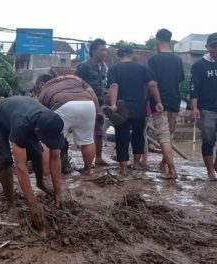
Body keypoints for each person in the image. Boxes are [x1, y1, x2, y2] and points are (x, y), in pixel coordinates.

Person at [0, 96, 65, 231]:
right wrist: (32, 203)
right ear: (37, 132)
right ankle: (11, 204)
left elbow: (55, 158)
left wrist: (58, 192)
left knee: (37, 153)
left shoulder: (53, 122)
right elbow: (20, 167)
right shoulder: (22, 125)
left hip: (20, 115)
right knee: (5, 161)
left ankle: (41, 183)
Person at [107, 46, 163, 176]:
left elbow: (114, 86)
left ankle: (124, 168)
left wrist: (113, 104)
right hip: (139, 108)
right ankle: (136, 164)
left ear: (118, 56)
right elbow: (152, 85)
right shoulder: (142, 68)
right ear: (130, 54)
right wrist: (158, 102)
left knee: (122, 136)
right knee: (138, 135)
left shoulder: (114, 69)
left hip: (122, 109)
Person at [36, 73, 102, 175]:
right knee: (87, 140)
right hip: (87, 104)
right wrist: (98, 111)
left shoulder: (45, 89)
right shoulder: (73, 78)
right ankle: (87, 170)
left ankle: (46, 172)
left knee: (48, 142)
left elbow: (42, 115)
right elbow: (91, 92)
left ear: (41, 83)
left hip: (62, 104)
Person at [147, 28, 185, 179]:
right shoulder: (177, 60)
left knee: (163, 135)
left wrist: (157, 101)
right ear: (170, 40)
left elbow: (153, 83)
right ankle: (164, 164)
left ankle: (172, 170)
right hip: (175, 100)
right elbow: (180, 79)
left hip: (160, 102)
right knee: (169, 134)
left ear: (158, 40)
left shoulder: (154, 60)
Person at [76, 38, 110, 166]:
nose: (105, 53)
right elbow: (76, 83)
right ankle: (87, 164)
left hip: (100, 105)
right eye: (102, 50)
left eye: (105, 50)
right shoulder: (84, 66)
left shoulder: (104, 67)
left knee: (99, 132)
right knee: (87, 134)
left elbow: (104, 86)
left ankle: (99, 158)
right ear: (93, 51)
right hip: (86, 104)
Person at [190, 32, 217, 181]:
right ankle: (210, 172)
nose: (216, 49)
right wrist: (194, 109)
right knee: (208, 140)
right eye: (214, 46)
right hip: (206, 109)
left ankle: (215, 164)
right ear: (207, 47)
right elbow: (194, 89)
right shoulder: (199, 65)